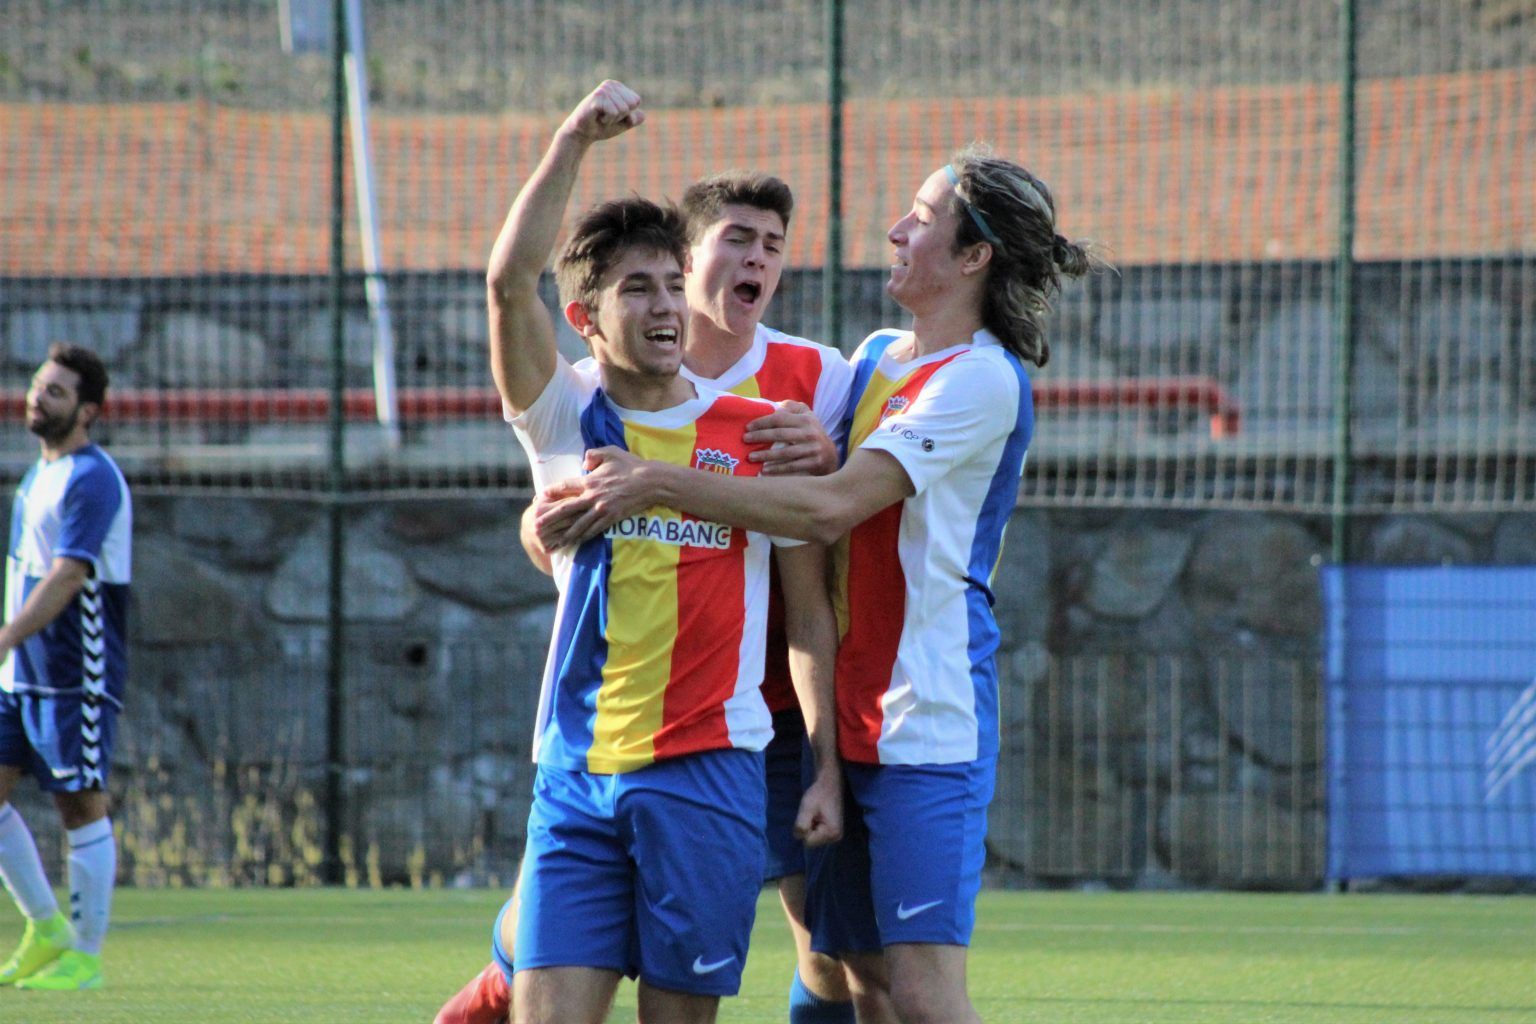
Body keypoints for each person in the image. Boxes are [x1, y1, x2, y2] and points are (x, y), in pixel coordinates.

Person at [537, 144, 1096, 1024]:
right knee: (848, 967)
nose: (896, 229)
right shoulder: (875, 358)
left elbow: (827, 507)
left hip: (925, 716)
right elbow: (814, 479)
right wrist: (549, 523)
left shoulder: (983, 378)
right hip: (832, 710)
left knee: (917, 990)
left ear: (974, 256)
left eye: (921, 215)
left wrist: (656, 483)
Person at [436, 169, 857, 1024]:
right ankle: (502, 972)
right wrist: (576, 138)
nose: (666, 305)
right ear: (586, 320)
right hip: (575, 770)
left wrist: (825, 767)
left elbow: (811, 604)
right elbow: (508, 283)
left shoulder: (757, 427)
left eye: (671, 284)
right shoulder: (566, 417)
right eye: (639, 289)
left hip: (707, 772)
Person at [0, 344, 131, 993]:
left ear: (87, 411)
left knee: (79, 804)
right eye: (37, 386)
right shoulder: (36, 477)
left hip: (74, 674)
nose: (37, 398)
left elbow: (68, 575)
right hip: (19, 674)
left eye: (55, 392)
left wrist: (6, 635)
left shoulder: (93, 477)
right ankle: (45, 927)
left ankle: (86, 955)